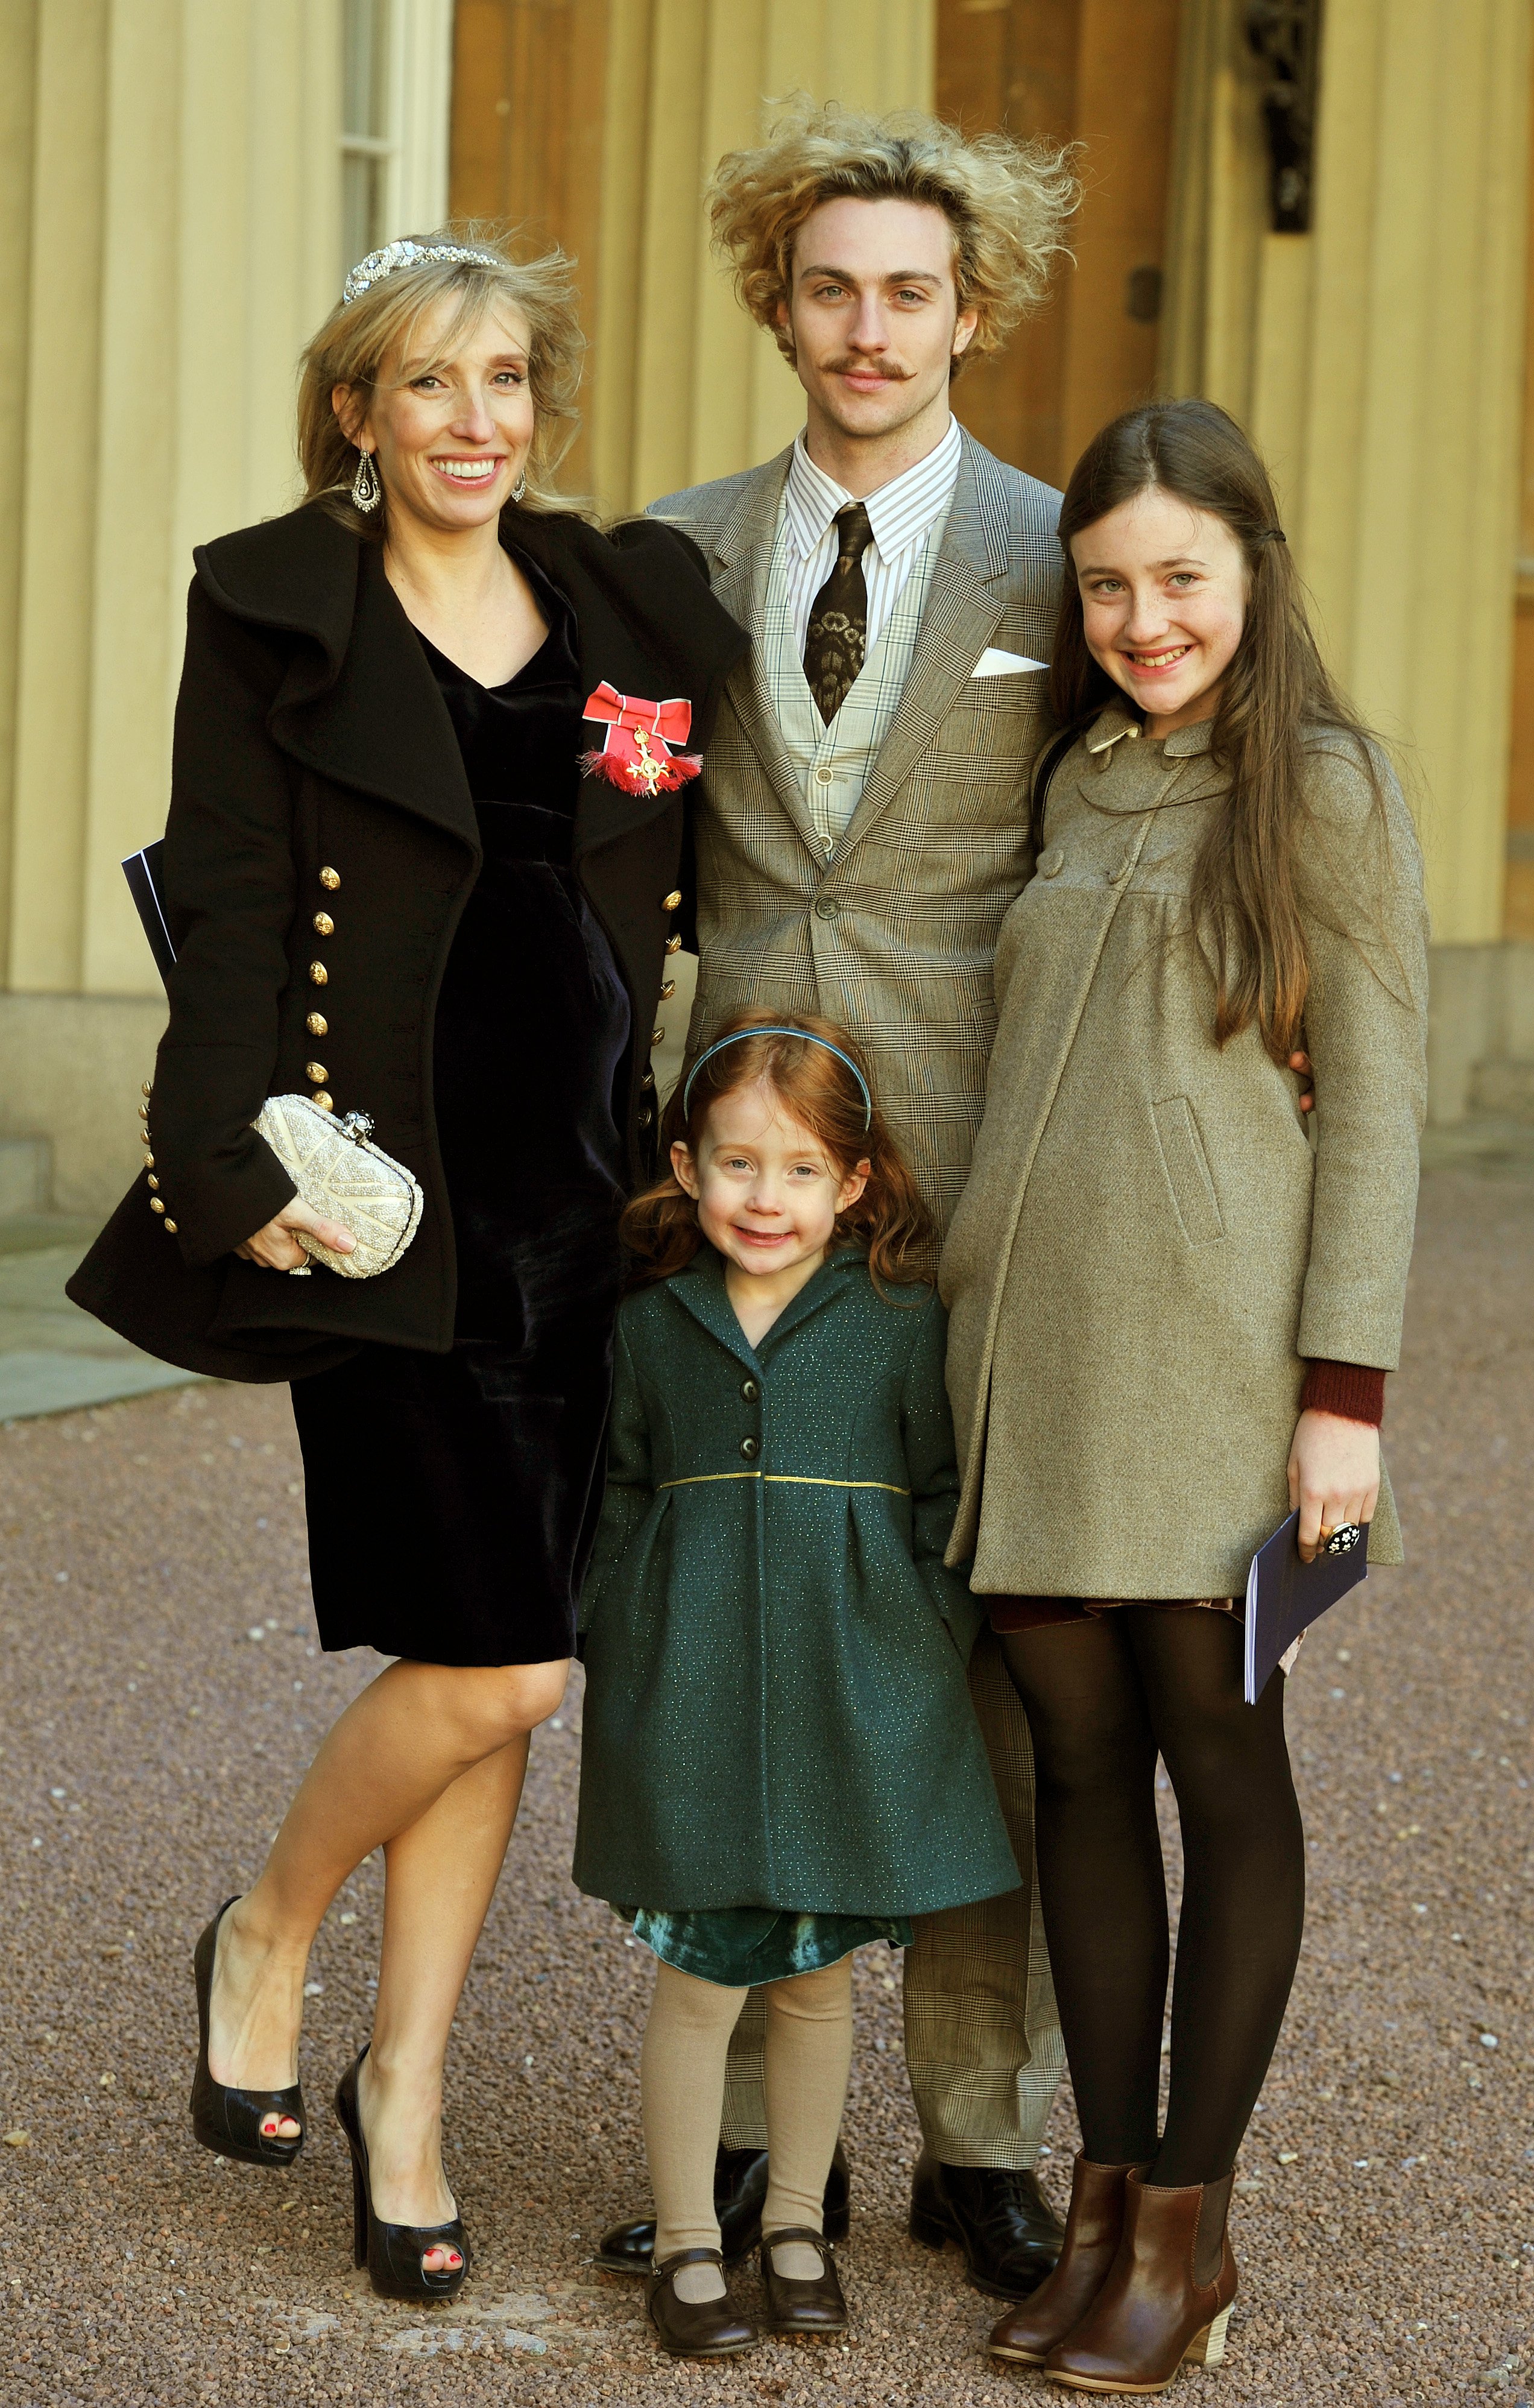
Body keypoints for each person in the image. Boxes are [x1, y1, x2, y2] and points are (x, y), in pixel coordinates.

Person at [69, 230, 745, 2302]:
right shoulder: (271, 605)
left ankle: (409, 2094)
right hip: (381, 1208)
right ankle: (268, 1928)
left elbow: (699, 862)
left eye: (507, 378)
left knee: (497, 1674)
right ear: (356, 409)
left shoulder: (627, 600)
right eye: (428, 383)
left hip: (584, 1210)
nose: (476, 420)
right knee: (507, 1657)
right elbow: (239, 896)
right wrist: (212, 1160)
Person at [595, 98, 1081, 2307]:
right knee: (727, 1581)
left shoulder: (1066, 556)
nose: (866, 329)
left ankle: (975, 2132)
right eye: (827, 289)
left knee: (971, 1644)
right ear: (775, 305)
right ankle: (719, 2093)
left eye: (908, 289)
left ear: (970, 307)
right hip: (734, 1179)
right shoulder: (665, 556)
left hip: (977, 1178)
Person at [938, 398, 1428, 2394]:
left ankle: (1189, 2235)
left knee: (1219, 1770)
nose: (1146, 620)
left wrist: (1344, 1396)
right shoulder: (1071, 780)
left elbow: (1379, 1099)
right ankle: (1100, 2197)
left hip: (1229, 1367)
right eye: (1110, 586)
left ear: (1253, 571)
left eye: (1182, 581)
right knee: (1069, 1773)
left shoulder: (1318, 783)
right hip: (1031, 1359)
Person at [574, 1013, 1022, 2359]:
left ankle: (796, 2223)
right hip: (689, 1689)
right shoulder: (650, 1326)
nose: (765, 1197)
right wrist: (625, 1627)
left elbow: (944, 1496)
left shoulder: (899, 1324)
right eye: (736, 1164)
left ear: (856, 1183)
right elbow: (624, 1493)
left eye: (801, 1170)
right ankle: (691, 2237)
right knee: (700, 1978)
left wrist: (918, 1641)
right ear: (684, 1165)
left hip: (852, 1695)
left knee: (821, 1979)